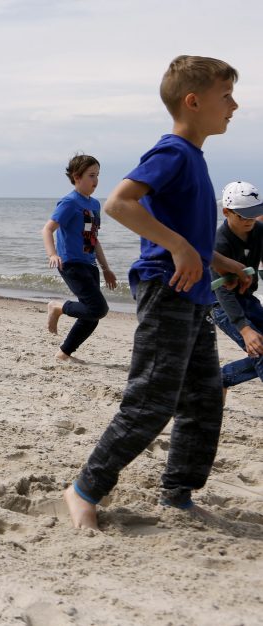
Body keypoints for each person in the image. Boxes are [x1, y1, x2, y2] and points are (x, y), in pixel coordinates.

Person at [63, 55, 250, 531]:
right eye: (226, 95)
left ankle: (177, 492)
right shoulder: (172, 152)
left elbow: (184, 232)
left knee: (204, 400)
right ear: (194, 101)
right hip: (166, 290)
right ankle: (84, 488)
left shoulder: (193, 157)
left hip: (194, 295)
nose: (235, 105)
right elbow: (119, 203)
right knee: (151, 400)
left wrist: (221, 262)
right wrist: (182, 247)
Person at [41, 154, 117, 362]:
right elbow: (47, 230)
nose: (96, 180)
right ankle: (57, 307)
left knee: (91, 315)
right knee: (98, 308)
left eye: (98, 175)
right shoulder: (69, 202)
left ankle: (64, 354)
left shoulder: (94, 205)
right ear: (77, 177)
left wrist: (106, 268)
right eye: (91, 175)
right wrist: (53, 254)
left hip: (89, 264)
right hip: (71, 263)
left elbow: (94, 240)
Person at [209, 181, 263, 399]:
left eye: (254, 214)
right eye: (243, 216)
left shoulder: (258, 231)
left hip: (247, 298)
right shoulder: (219, 243)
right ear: (226, 212)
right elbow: (222, 293)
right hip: (221, 305)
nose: (249, 220)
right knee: (259, 349)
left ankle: (222, 378)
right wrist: (244, 329)